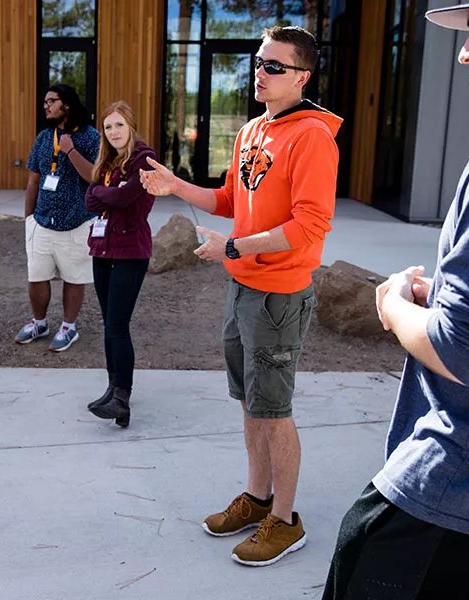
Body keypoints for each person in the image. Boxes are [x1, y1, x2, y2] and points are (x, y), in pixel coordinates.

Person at [323, 0, 469, 598]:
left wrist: (394, 304)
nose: (464, 52)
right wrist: (459, 295)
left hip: (457, 500)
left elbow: (467, 352)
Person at [141, 26, 342, 566]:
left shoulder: (313, 137)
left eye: (275, 66)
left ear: (302, 76)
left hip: (279, 295)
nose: (261, 72)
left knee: (274, 410)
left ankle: (287, 519)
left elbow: (309, 225)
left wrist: (234, 248)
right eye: (259, 62)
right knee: (252, 404)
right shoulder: (253, 128)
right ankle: (257, 500)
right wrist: (176, 187)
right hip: (245, 288)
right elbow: (232, 197)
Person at [84, 101, 157, 428]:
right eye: (108, 126)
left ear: (131, 126)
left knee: (117, 325)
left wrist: (105, 192)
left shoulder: (145, 159)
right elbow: (90, 199)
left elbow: (126, 198)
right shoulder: (106, 161)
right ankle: (113, 389)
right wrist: (105, 191)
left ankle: (122, 398)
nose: (113, 132)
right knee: (108, 323)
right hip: (103, 249)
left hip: (131, 250)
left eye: (119, 125)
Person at [16, 84, 100, 352]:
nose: (46, 106)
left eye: (51, 101)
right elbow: (34, 181)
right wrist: (29, 218)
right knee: (36, 276)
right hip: (42, 221)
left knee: (74, 278)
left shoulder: (91, 137)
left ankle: (68, 327)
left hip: (77, 221)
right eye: (45, 102)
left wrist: (70, 150)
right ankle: (39, 323)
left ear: (67, 105)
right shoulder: (43, 137)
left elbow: (94, 177)